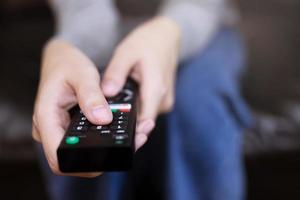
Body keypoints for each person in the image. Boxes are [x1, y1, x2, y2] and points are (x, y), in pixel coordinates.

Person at [32, 0, 252, 199]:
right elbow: (84, 11)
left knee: (198, 101)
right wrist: (68, 45)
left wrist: (168, 31)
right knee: (76, 107)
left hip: (203, 23)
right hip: (92, 31)